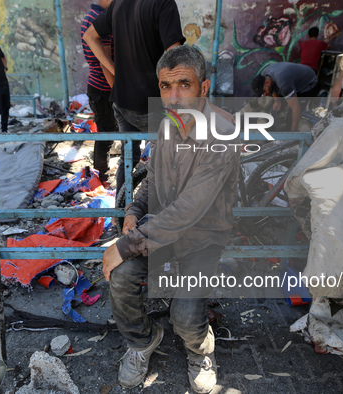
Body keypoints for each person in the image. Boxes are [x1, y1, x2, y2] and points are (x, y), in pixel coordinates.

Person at [101, 45, 239, 393]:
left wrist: (127, 244)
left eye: (184, 85)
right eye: (166, 86)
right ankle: (142, 341)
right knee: (121, 276)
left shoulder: (223, 133)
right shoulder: (168, 125)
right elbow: (152, 180)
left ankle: (200, 352)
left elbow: (190, 208)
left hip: (203, 236)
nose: (174, 96)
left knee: (186, 317)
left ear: (203, 88)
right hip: (162, 230)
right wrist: (134, 212)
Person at [83, 0, 184, 199]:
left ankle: (122, 214)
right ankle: (159, 217)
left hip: (122, 101)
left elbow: (90, 36)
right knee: (165, 160)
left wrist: (116, 72)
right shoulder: (163, 3)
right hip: (152, 104)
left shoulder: (119, 2)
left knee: (127, 160)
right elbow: (175, 56)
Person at [81, 0, 116, 185]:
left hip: (98, 86)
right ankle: (102, 177)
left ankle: (101, 174)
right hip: (103, 87)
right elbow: (105, 62)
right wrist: (116, 90)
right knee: (106, 135)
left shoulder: (90, 17)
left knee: (106, 132)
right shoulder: (100, 19)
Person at [251, 62, 317, 131]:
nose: (264, 94)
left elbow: (296, 108)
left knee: (291, 116)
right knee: (272, 109)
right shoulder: (264, 75)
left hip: (307, 81)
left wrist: (292, 134)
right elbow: (272, 88)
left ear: (267, 83)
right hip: (288, 80)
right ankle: (271, 131)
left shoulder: (284, 84)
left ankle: (292, 135)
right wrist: (277, 100)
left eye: (264, 91)